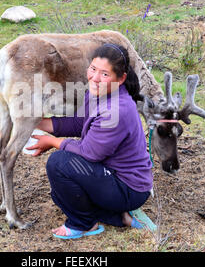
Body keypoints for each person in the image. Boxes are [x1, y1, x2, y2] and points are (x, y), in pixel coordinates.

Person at [26, 43, 153, 239]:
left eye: (104, 74)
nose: (94, 78)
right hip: (111, 176)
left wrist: (52, 142)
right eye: (93, 69)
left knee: (59, 163)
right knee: (60, 195)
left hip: (128, 188)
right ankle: (121, 218)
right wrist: (39, 122)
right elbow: (80, 123)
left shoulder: (116, 110)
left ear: (121, 79)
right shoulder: (98, 94)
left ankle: (83, 224)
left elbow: (89, 153)